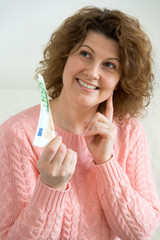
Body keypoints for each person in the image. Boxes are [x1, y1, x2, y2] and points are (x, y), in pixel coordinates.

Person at [0, 6, 160, 240]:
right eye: (85, 54)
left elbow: (142, 232)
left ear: (120, 81)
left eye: (109, 65)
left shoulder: (129, 131)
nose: (92, 72)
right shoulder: (17, 135)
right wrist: (49, 187)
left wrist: (106, 163)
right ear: (66, 55)